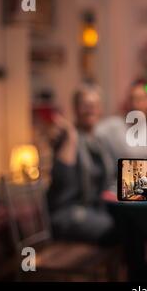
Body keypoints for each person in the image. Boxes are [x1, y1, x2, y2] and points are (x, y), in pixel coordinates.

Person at [47, 85, 116, 245]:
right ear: (76, 109)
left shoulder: (100, 142)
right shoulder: (66, 138)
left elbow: (113, 177)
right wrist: (71, 136)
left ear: (101, 110)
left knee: (134, 223)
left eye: (95, 105)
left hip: (95, 210)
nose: (90, 109)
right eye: (85, 105)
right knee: (119, 228)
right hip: (67, 213)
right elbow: (62, 182)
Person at [96, 79, 147, 165]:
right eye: (132, 99)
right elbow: (93, 132)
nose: (136, 105)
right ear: (127, 102)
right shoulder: (113, 125)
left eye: (140, 99)